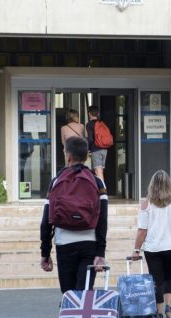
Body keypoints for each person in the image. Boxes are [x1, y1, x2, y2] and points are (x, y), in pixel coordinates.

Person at [40, 137, 108, 294]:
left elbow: (46, 221)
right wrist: (100, 253)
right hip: (89, 245)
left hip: (64, 244)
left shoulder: (56, 181)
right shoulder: (98, 182)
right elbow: (102, 219)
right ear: (86, 157)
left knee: (68, 296)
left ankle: (70, 317)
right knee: (84, 295)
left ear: (68, 156)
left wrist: (45, 252)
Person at [131, 170, 171, 318]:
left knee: (156, 281)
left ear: (152, 185)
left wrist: (136, 250)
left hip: (153, 248)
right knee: (169, 278)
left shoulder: (146, 204)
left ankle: (158, 314)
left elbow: (142, 230)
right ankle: (169, 308)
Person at [86, 105, 107, 183]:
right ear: (97, 114)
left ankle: (103, 192)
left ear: (89, 114)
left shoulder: (89, 124)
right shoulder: (102, 123)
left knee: (98, 172)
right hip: (104, 149)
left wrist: (87, 148)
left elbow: (90, 139)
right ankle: (100, 189)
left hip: (96, 149)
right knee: (100, 171)